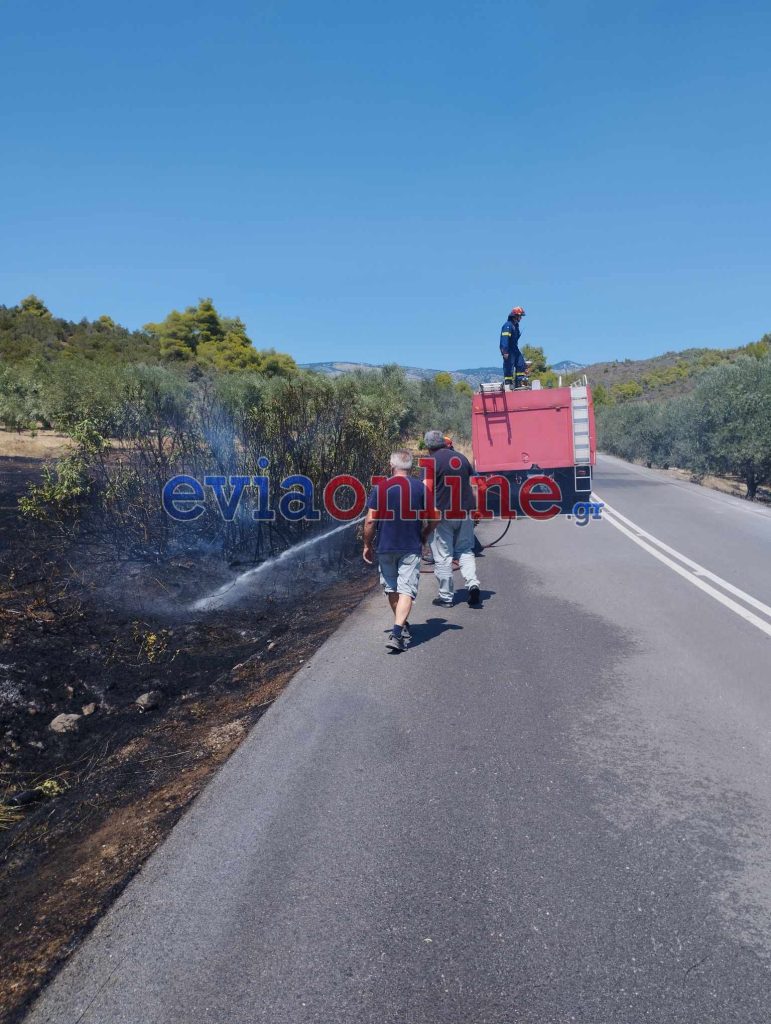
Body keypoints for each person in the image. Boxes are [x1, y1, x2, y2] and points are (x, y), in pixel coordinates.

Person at [363, 449, 439, 653]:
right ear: (410, 467)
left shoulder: (380, 488)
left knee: (392, 588)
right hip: (410, 546)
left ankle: (397, 630)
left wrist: (367, 545)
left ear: (392, 466)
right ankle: (400, 627)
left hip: (386, 546)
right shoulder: (420, 488)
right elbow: (435, 518)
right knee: (406, 589)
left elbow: (370, 520)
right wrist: (424, 534)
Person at [422, 430, 481, 607]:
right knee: (465, 550)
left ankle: (446, 597)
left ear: (428, 446)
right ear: (444, 442)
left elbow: (426, 490)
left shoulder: (430, 462)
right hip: (465, 512)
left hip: (442, 515)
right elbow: (474, 485)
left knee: (442, 556)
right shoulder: (461, 458)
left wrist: (425, 517)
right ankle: (472, 585)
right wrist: (476, 510)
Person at [500, 306, 527, 389]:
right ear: (515, 315)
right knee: (509, 366)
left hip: (515, 349)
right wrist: (505, 351)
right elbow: (504, 339)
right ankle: (508, 384)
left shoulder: (515, 326)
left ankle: (519, 382)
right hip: (509, 349)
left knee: (521, 363)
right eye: (520, 316)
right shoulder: (507, 325)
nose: (521, 318)